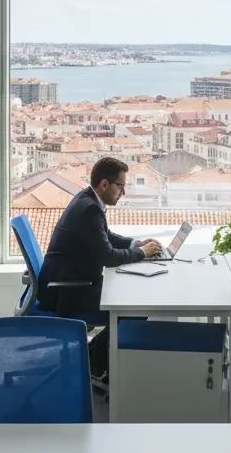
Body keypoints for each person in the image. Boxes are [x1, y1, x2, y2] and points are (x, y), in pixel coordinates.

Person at [38, 157, 161, 379]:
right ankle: (97, 360)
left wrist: (135, 244)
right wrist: (142, 253)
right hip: (66, 291)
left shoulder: (88, 200)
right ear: (104, 184)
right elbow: (107, 256)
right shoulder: (89, 209)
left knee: (133, 300)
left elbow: (105, 237)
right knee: (134, 308)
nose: (123, 193)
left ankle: (95, 353)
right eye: (120, 186)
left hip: (71, 281)